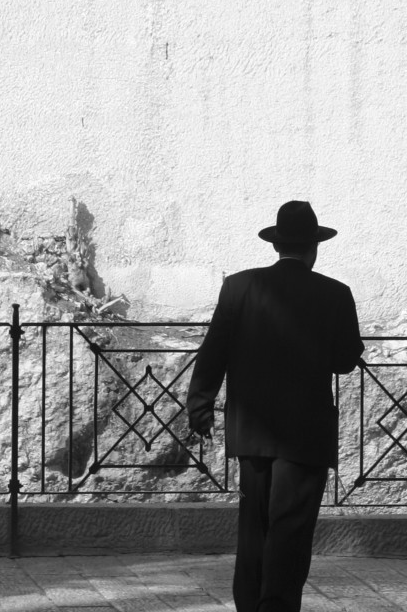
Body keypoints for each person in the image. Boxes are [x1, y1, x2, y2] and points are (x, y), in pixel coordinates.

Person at [186, 201, 364, 612]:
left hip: (252, 430)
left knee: (254, 527)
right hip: (306, 435)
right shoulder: (336, 294)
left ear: (276, 246)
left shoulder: (238, 287)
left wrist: (201, 406)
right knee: (291, 529)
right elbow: (344, 361)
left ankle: (249, 605)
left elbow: (213, 352)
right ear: (314, 248)